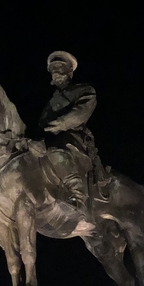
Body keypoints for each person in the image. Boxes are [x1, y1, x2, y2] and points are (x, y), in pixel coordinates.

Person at [39, 51, 107, 221]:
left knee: (56, 152)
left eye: (59, 67)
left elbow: (80, 113)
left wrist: (58, 125)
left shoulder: (84, 90)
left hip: (74, 137)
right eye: (53, 68)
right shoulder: (50, 103)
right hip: (52, 138)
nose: (55, 71)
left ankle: (79, 198)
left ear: (69, 71)